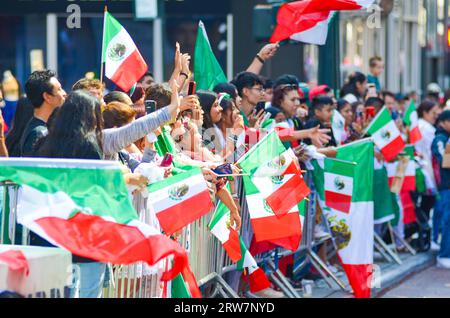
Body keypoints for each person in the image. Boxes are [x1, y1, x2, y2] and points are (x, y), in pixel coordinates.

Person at [20, 70, 67, 157]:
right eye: (59, 89)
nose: (64, 93)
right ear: (47, 97)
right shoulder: (39, 133)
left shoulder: (42, 127)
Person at [431, 110, 450, 268]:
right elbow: (445, 160)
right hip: (445, 185)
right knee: (446, 220)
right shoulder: (440, 139)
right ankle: (444, 254)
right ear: (443, 122)